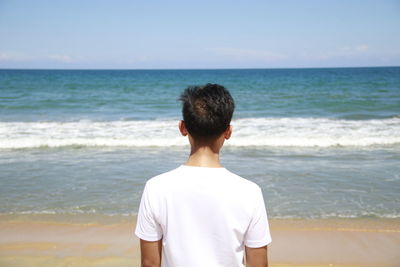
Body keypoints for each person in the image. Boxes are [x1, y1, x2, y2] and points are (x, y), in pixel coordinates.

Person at [135, 83, 271, 267]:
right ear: (228, 132)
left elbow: (150, 263)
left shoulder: (156, 188)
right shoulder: (250, 192)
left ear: (183, 128)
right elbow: (258, 264)